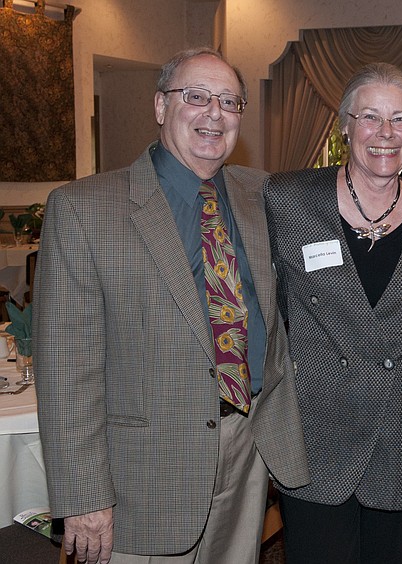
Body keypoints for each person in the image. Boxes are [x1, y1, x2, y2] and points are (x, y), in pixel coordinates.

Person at [33, 48, 311, 564]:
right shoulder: (85, 209)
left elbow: (347, 207)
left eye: (230, 102)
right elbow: (65, 370)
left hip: (245, 451)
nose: (215, 113)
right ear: (161, 106)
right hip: (143, 473)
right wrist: (85, 498)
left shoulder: (264, 193)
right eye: (197, 97)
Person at [263, 62, 402, 564]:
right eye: (370, 117)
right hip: (315, 429)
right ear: (345, 125)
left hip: (401, 428)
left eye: (400, 120)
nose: (385, 133)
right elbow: (263, 308)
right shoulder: (288, 199)